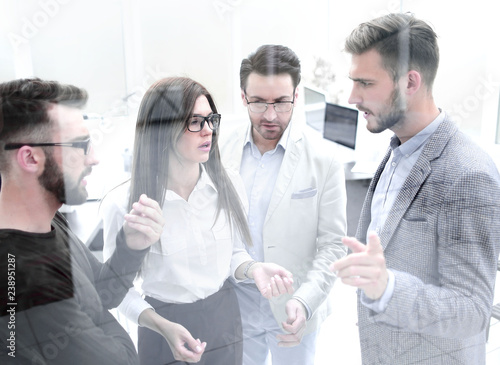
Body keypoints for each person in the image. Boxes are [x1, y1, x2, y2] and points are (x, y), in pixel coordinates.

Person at [331, 13, 500, 364]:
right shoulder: (396, 149)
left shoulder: (468, 175)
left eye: (365, 83)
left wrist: (386, 288)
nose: (352, 97)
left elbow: (471, 311)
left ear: (410, 83)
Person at [100, 76, 295, 365]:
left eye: (210, 120)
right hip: (162, 328)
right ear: (161, 129)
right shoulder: (124, 205)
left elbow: (233, 255)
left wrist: (254, 269)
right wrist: (161, 326)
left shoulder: (228, 184)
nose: (208, 132)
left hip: (225, 317)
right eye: (194, 122)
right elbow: (118, 292)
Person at [0, 78, 164, 364]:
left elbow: (99, 295)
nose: (94, 158)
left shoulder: (50, 222)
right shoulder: (26, 276)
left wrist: (130, 248)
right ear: (30, 158)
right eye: (81, 145)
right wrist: (100, 319)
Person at [218, 45, 347, 365]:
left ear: (297, 96)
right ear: (244, 97)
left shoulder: (325, 159)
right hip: (235, 307)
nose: (271, 115)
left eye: (281, 102)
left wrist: (305, 302)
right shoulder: (219, 149)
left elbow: (332, 246)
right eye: (259, 102)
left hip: (295, 311)